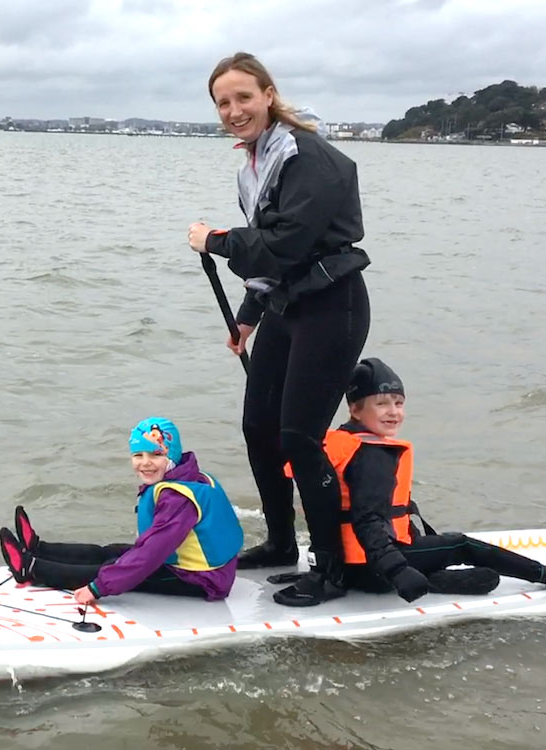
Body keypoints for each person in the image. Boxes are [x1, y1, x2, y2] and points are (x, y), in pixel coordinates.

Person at [186, 51, 371, 606]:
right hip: (289, 308)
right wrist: (247, 318)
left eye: (244, 97)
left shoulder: (307, 156)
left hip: (332, 309)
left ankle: (332, 570)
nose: (234, 110)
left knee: (299, 437)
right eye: (223, 102)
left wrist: (215, 242)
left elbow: (284, 243)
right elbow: (274, 257)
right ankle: (282, 545)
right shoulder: (259, 159)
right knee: (258, 427)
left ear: (268, 94)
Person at [289, 357, 546, 607]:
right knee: (460, 544)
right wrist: (397, 571)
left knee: (473, 571)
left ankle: (436, 578)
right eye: (381, 404)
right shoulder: (373, 455)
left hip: (344, 567)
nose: (393, 412)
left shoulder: (334, 443)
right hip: (375, 567)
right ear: (355, 409)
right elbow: (367, 519)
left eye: (399, 403)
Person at [0, 417, 243, 606]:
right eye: (138, 455)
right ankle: (40, 548)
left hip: (202, 580)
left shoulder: (179, 499)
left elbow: (150, 553)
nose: (145, 462)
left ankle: (31, 569)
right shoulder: (190, 477)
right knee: (110, 552)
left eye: (156, 455)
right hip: (191, 565)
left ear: (172, 455)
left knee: (111, 567)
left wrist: (97, 588)